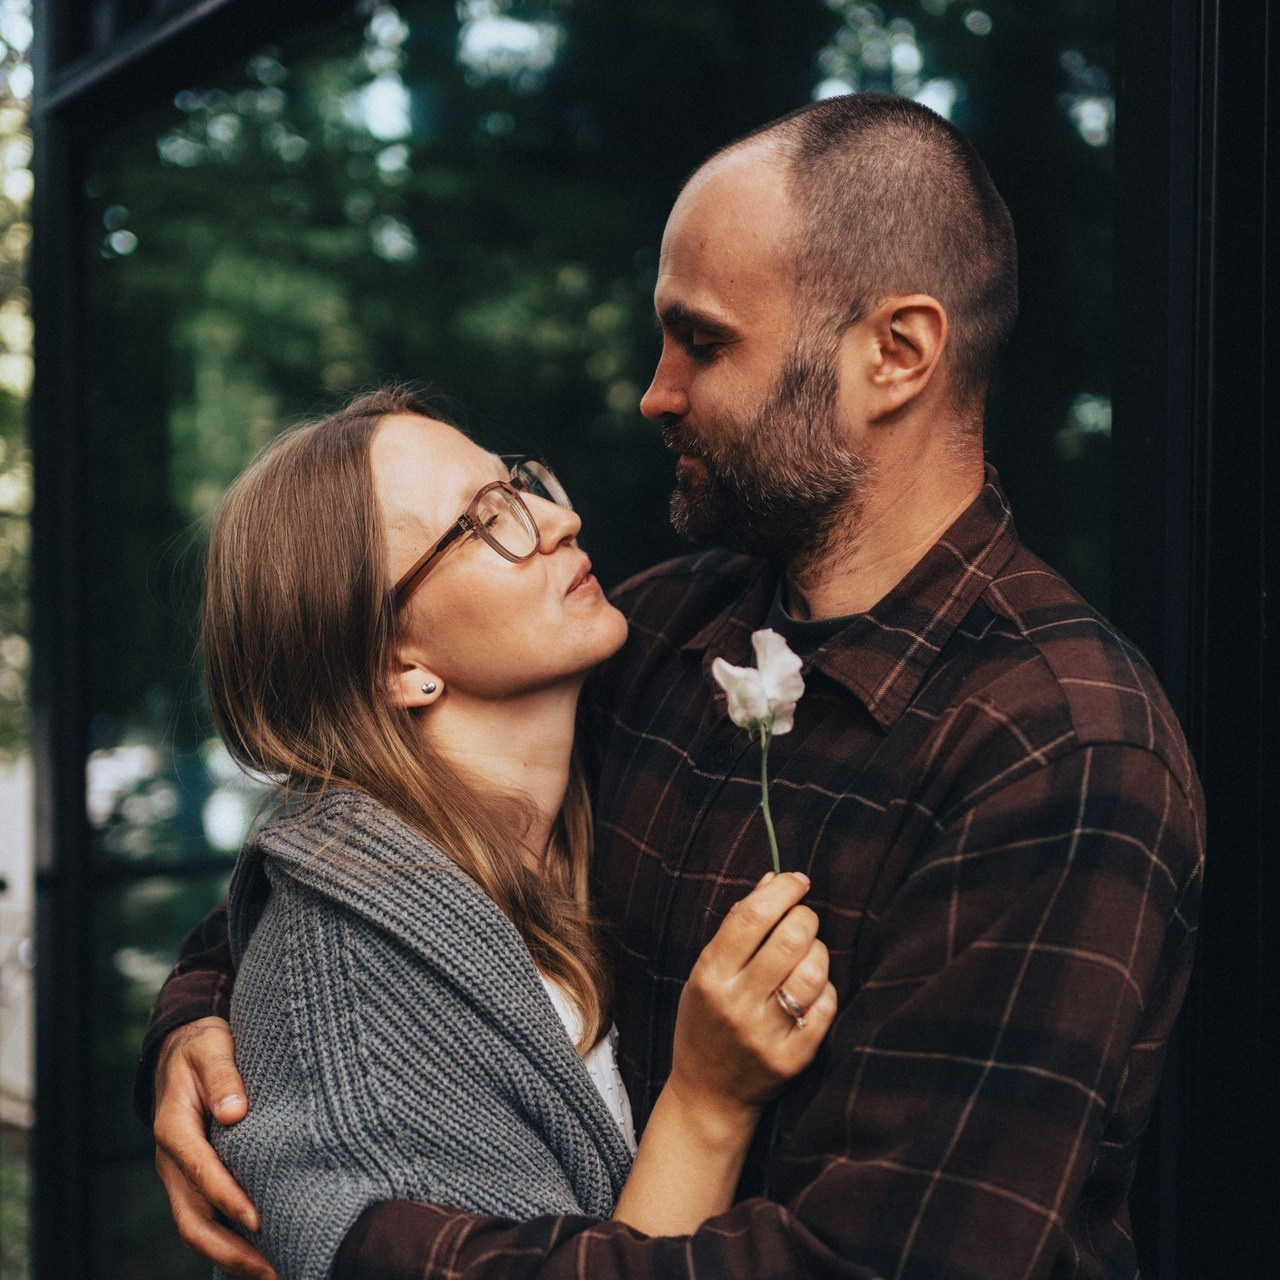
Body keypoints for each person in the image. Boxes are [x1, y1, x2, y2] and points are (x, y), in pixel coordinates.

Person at [138, 93, 1204, 1280]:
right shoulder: (656, 631)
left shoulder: (1056, 750)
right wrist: (201, 1022)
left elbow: (881, 1261)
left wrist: (346, 1228)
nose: (655, 391)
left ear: (894, 354)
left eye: (701, 340)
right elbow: (375, 859)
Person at [176, 387, 837, 1280]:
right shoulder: (354, 1000)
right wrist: (708, 1102)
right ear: (397, 665)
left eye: (520, 483)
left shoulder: (585, 791)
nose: (557, 518)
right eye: (486, 521)